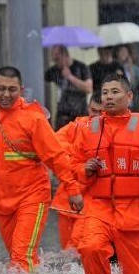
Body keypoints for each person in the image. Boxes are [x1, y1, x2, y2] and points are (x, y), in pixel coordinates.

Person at [71, 74, 139, 274]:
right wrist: (85, 169)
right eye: (105, 93)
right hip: (99, 207)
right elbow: (73, 165)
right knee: (90, 247)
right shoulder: (88, 130)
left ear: (129, 96)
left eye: (115, 92)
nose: (108, 97)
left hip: (135, 209)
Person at [0, 66, 84, 272]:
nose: (6, 94)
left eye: (12, 89)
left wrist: (73, 190)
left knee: (21, 259)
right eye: (1, 88)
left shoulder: (33, 118)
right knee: (17, 259)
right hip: (3, 203)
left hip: (32, 196)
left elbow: (55, 156)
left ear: (21, 89)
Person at [50, 93, 103, 250]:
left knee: (76, 248)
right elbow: (54, 146)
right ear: (88, 108)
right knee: (67, 253)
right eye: (94, 111)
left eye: (101, 112)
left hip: (93, 203)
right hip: (67, 200)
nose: (97, 116)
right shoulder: (77, 126)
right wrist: (77, 159)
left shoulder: (113, 134)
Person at [44, 45, 93, 130]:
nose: (56, 63)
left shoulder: (81, 67)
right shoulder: (55, 70)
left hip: (80, 115)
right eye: (54, 60)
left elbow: (88, 88)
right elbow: (42, 78)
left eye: (58, 59)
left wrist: (70, 77)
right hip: (63, 116)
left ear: (65, 54)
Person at [115, 44, 139, 111]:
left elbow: (136, 86)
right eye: (120, 51)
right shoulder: (115, 68)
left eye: (124, 51)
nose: (122, 54)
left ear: (128, 53)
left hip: (133, 103)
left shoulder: (136, 70)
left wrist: (131, 71)